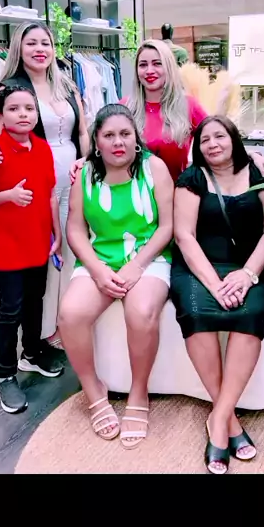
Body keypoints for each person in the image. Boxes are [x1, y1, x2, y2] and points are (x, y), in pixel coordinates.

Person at [170, 115, 264, 474]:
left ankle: (218, 418)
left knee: (249, 317)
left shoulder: (261, 173)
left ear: (234, 139)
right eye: (205, 140)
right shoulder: (191, 179)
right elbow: (184, 236)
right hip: (199, 267)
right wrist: (214, 284)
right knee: (196, 315)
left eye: (220, 136)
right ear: (198, 148)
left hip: (250, 265)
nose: (213, 144)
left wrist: (248, 274)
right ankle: (230, 421)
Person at [0, 21, 90, 353]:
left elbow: (82, 131)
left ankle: (72, 318)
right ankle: (45, 330)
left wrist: (87, 162)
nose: (40, 49)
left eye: (45, 43)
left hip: (74, 179)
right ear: (18, 48)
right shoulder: (10, 89)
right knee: (45, 256)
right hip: (35, 184)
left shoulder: (66, 84)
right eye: (31, 42)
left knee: (73, 248)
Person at [59, 104, 174, 447]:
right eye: (109, 135)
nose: (118, 142)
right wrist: (97, 270)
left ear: (136, 137)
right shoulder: (84, 175)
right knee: (69, 315)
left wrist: (136, 265)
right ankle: (94, 391)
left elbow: (167, 226)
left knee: (141, 312)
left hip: (149, 257)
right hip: (100, 259)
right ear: (96, 141)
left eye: (125, 134)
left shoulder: (154, 168)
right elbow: (75, 229)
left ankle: (139, 393)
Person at [0, 86, 64, 415]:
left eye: (29, 108)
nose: (23, 114)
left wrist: (57, 233)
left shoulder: (42, 147)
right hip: (8, 246)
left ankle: (32, 353)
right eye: (14, 108)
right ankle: (5, 374)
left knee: (35, 299)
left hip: (39, 241)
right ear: (0, 115)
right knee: (10, 308)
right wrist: (8, 196)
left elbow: (51, 194)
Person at [70, 37, 264, 185]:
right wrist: (86, 160)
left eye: (157, 64)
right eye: (143, 65)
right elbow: (106, 145)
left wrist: (250, 155)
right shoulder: (125, 107)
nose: (150, 71)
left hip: (178, 196)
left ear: (168, 68)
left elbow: (217, 138)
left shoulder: (188, 105)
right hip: (134, 201)